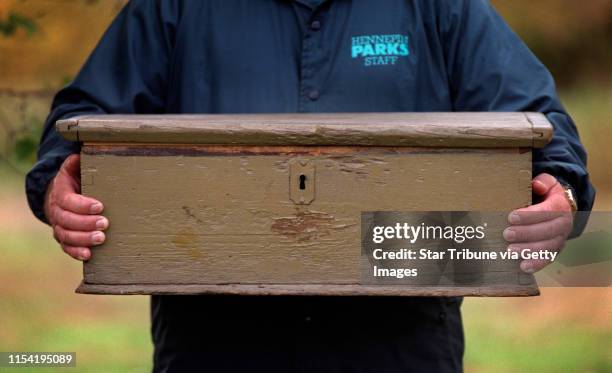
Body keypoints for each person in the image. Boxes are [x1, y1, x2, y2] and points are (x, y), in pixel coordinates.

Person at [26, 1, 595, 372]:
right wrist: (58, 182)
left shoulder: (437, 6)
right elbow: (81, 118)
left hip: (401, 334)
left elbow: (538, 118)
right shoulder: (175, 6)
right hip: (212, 341)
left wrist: (562, 190)